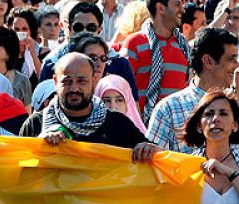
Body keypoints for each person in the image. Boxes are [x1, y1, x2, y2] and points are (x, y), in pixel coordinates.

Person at [21, 53, 159, 161]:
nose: (74, 88)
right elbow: (18, 167)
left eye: (81, 81)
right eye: (67, 82)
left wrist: (148, 150)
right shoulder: (36, 125)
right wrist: (39, 146)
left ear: (94, 81)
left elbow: (159, 159)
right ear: (56, 81)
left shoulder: (117, 124)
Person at [148, 28, 239, 154]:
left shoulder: (235, 103)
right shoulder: (169, 108)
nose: (237, 65)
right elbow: (153, 161)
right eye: (232, 58)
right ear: (208, 61)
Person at [121, 0, 190, 121]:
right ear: (161, 8)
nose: (183, 10)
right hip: (143, 127)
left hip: (178, 128)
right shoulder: (135, 42)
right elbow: (123, 88)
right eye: (177, 5)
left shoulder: (183, 46)